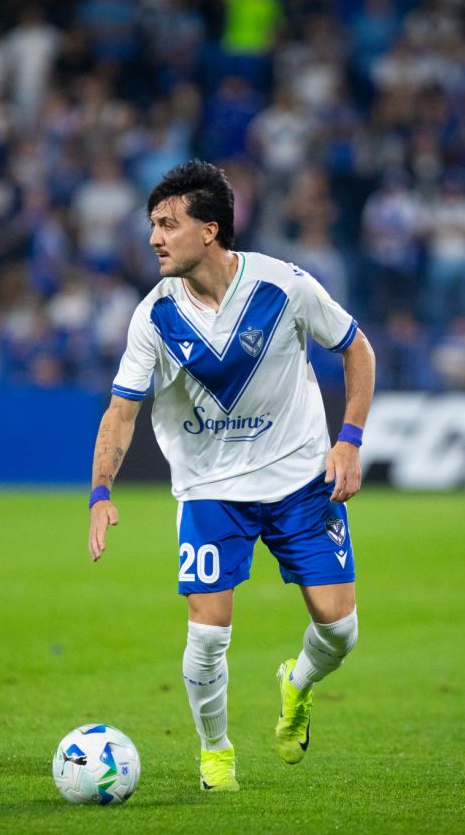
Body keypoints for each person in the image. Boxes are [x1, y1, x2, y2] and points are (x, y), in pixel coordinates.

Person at [86, 161, 375, 792]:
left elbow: (357, 348)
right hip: (211, 490)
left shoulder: (285, 286)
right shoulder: (154, 316)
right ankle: (215, 753)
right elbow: (121, 412)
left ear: (210, 230)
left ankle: (297, 683)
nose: (155, 238)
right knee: (208, 634)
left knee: (339, 630)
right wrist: (101, 492)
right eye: (152, 225)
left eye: (168, 224)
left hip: (301, 478)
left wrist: (349, 440)